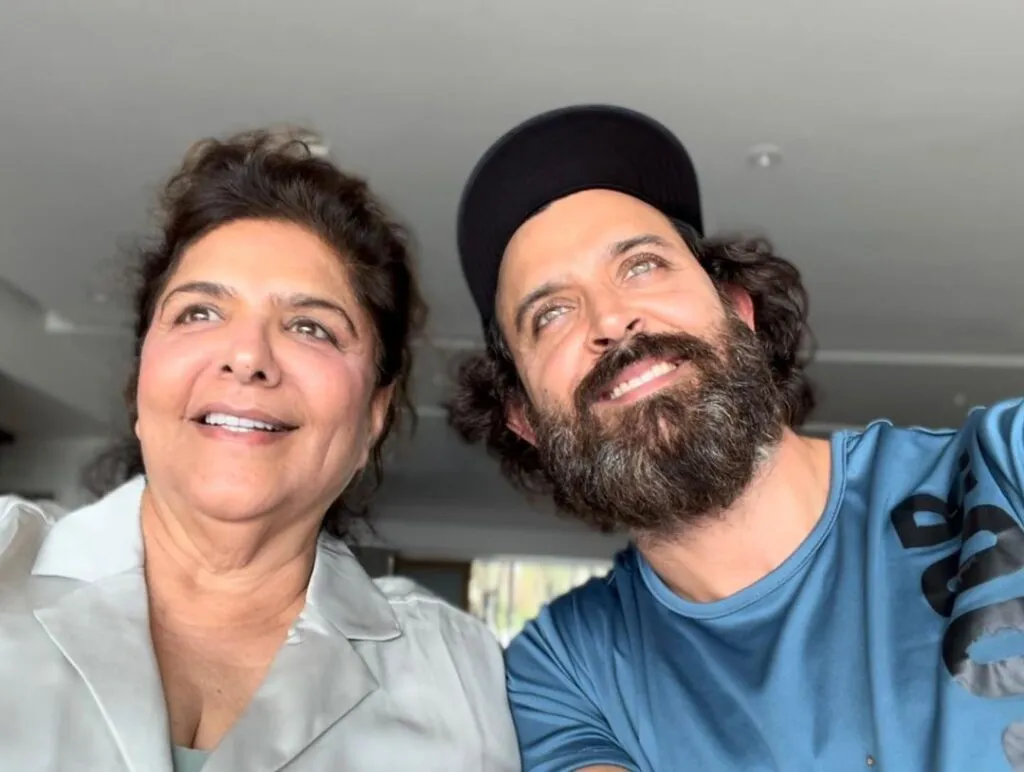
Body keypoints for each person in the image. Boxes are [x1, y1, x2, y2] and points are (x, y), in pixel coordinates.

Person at [448, 103, 1024, 772]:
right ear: (523, 419)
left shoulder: (1003, 466)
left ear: (737, 309)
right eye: (550, 313)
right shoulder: (565, 676)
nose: (611, 318)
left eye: (641, 267)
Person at [0, 128, 520, 771]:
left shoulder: (460, 674)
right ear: (142, 382)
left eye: (311, 327)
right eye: (198, 313)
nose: (247, 357)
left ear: (373, 418)